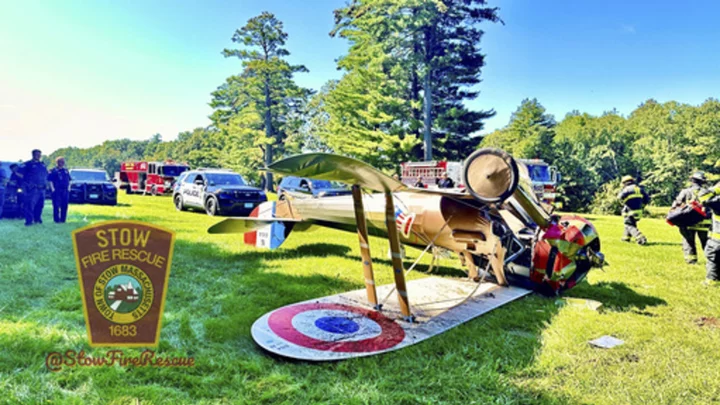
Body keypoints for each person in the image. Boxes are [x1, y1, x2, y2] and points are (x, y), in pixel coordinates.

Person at [672, 172, 710, 264]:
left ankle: (691, 260)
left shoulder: (685, 192)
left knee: (688, 241)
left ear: (692, 181)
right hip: (704, 223)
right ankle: (712, 260)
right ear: (702, 182)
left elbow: (676, 204)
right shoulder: (707, 192)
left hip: (688, 222)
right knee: (706, 243)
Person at [18, 149, 48, 226]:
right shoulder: (28, 164)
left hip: (42, 188)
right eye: (37, 154)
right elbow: (18, 173)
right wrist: (27, 182)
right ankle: (29, 222)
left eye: (40, 154)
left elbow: (45, 174)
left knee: (40, 205)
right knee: (30, 205)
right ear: (33, 155)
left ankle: (37, 220)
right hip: (33, 189)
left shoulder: (42, 164)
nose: (39, 156)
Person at [617, 175, 650, 245]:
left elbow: (619, 198)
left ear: (625, 183)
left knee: (629, 225)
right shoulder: (639, 189)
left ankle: (640, 238)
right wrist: (642, 207)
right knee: (631, 223)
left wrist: (623, 204)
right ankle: (626, 237)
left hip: (629, 211)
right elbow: (647, 199)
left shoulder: (626, 189)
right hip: (639, 211)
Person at [699, 183, 720, 286]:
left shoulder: (717, 202)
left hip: (717, 240)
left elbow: (703, 196)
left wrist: (716, 188)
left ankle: (711, 281)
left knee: (713, 259)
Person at [48, 156, 71, 223]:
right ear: (57, 162)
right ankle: (56, 220)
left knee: (64, 205)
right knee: (56, 206)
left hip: (65, 190)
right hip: (57, 190)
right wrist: (53, 189)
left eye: (63, 162)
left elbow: (69, 180)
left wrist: (69, 188)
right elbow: (50, 180)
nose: (62, 163)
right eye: (60, 162)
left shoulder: (66, 171)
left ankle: (63, 220)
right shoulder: (53, 170)